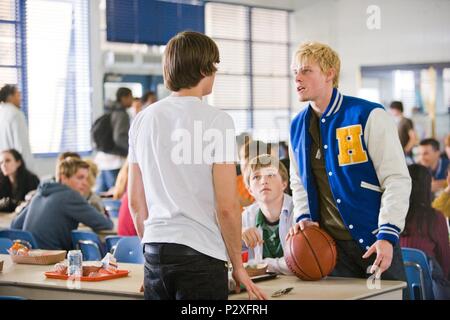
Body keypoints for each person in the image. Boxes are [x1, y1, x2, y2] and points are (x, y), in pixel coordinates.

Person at [128, 31, 266, 300]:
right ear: (204, 69)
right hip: (200, 255)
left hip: (155, 251)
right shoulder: (217, 121)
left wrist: (151, 257)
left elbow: (135, 202)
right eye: (214, 67)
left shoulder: (143, 120)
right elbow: (227, 207)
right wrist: (238, 266)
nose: (215, 73)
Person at [287, 42, 411, 282]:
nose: (297, 79)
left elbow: (396, 179)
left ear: (329, 73)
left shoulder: (368, 115)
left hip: (375, 243)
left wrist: (387, 234)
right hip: (328, 250)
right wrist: (303, 218)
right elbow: (298, 180)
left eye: (306, 71)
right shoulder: (296, 125)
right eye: (294, 72)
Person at [11, 158, 113, 250]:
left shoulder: (39, 194)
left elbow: (15, 225)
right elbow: (105, 224)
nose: (85, 183)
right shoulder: (70, 195)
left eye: (86, 178)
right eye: (80, 177)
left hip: (28, 256)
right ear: (63, 178)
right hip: (53, 260)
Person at [400, 164, 450, 298]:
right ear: (427, 187)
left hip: (397, 288)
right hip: (427, 290)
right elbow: (445, 262)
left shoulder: (394, 215)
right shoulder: (434, 217)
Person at [241, 154, 293, 275]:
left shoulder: (297, 212)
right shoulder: (246, 217)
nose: (264, 181)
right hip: (264, 286)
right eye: (256, 177)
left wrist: (261, 264)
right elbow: (236, 263)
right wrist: (238, 234)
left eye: (271, 175)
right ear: (250, 190)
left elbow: (298, 262)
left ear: (284, 183)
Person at [94, 87, 133, 193]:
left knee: (102, 194)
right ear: (124, 98)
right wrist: (131, 151)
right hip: (115, 160)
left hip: (103, 158)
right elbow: (119, 137)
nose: (132, 100)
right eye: (130, 97)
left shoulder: (109, 109)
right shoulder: (121, 114)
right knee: (117, 194)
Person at [0, 84, 33, 168]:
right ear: (10, 97)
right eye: (18, 95)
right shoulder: (16, 114)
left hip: (3, 167)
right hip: (16, 168)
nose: (21, 99)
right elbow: (22, 146)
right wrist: (28, 171)